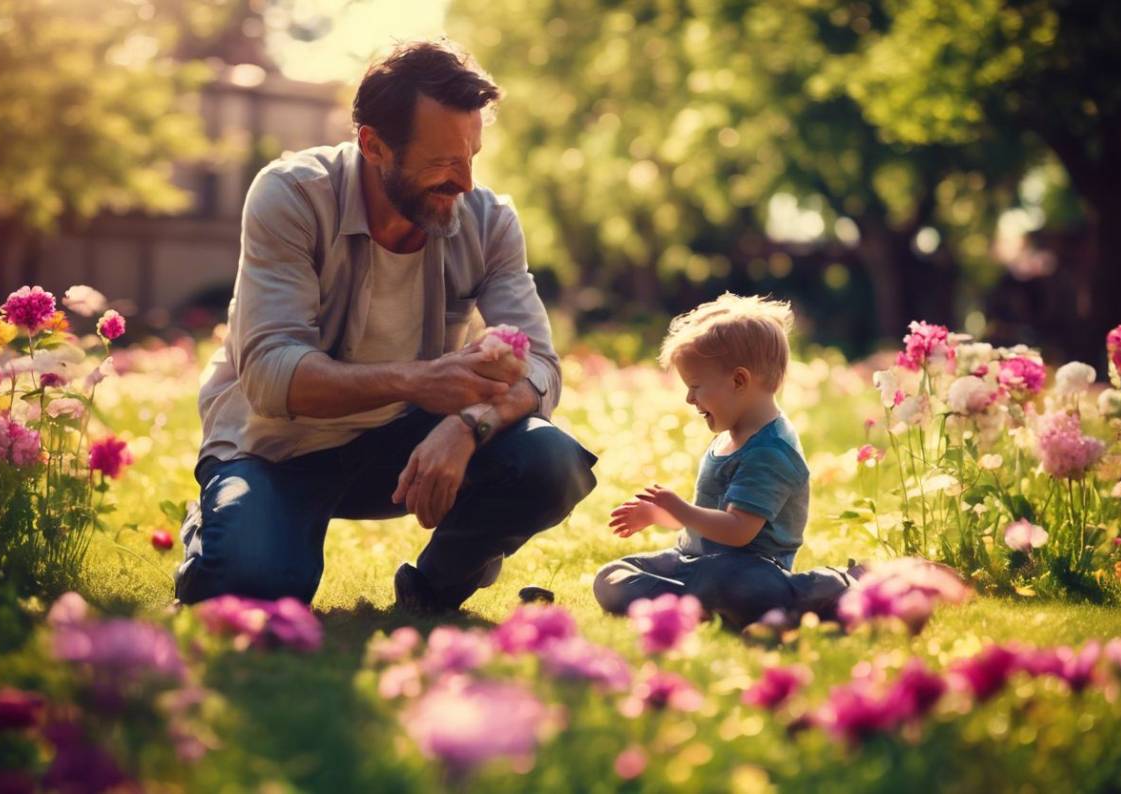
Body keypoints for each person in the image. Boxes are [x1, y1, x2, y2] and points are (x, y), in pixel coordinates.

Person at [174, 40, 597, 613]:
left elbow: (542, 368)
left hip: (402, 447)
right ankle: (223, 515)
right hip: (274, 447)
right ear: (373, 145)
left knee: (552, 462)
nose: (466, 181)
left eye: (472, 155)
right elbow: (272, 376)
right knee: (252, 587)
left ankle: (434, 587)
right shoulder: (292, 196)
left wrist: (467, 426)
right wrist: (419, 382)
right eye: (444, 161)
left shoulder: (489, 220)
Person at [593, 293, 852, 629]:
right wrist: (661, 515)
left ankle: (824, 586)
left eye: (696, 386)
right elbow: (709, 517)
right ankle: (696, 604)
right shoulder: (729, 436)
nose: (689, 398)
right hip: (694, 562)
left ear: (739, 381)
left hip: (748, 568)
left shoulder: (771, 451)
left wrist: (679, 508)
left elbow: (739, 531)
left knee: (738, 588)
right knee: (611, 577)